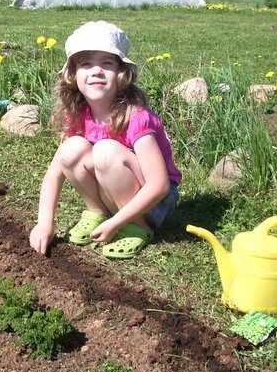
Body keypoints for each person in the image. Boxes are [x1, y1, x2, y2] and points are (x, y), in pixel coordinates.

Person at [29, 21, 181, 259]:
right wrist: (44, 223)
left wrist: (115, 224)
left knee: (105, 151)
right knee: (71, 150)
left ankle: (138, 225)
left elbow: (159, 185)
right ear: (73, 75)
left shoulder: (137, 117)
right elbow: (54, 173)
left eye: (107, 63)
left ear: (121, 74)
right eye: (86, 64)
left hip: (155, 203)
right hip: (118, 191)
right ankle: (97, 211)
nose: (96, 71)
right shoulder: (79, 115)